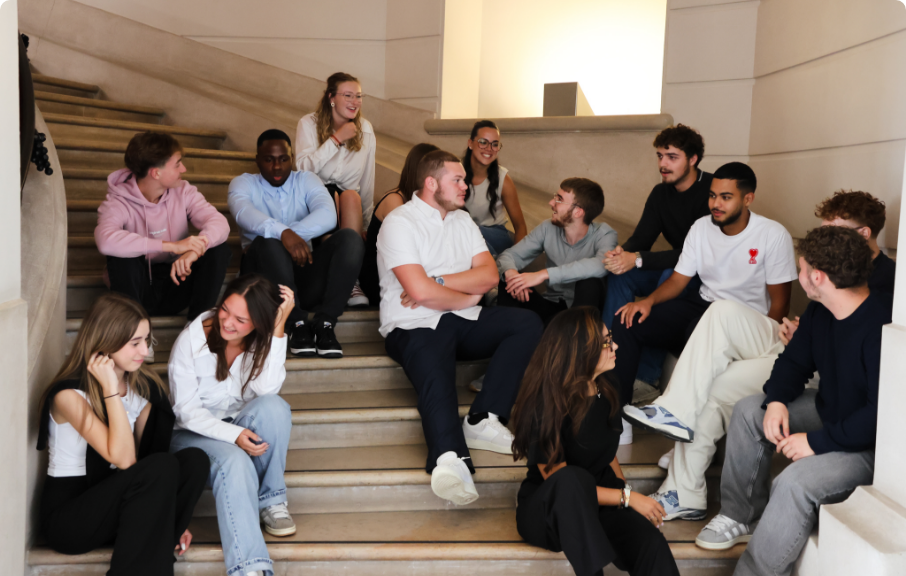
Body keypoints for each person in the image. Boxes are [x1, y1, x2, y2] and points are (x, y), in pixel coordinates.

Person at [632, 190, 897, 521]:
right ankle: (675, 412)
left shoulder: (889, 287)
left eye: (835, 229)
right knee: (721, 311)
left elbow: (859, 354)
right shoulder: (825, 271)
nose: (824, 236)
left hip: (829, 375)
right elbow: (812, 333)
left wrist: (808, 340)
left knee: (721, 383)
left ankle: (685, 490)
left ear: (863, 235)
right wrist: (804, 332)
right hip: (797, 347)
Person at [695, 226, 890, 576]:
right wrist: (777, 401)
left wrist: (815, 443)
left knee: (793, 482)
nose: (797, 275)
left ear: (817, 276)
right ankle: (740, 516)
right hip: (830, 414)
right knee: (748, 410)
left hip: (872, 448)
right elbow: (793, 362)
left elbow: (880, 418)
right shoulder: (820, 311)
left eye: (800, 269)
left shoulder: (881, 328)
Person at [377, 149, 543, 505]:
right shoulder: (400, 222)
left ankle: (483, 417)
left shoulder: (463, 221)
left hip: (460, 318)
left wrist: (440, 282)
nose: (465, 185)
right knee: (435, 373)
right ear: (431, 183)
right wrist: (466, 296)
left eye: (464, 180)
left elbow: (487, 276)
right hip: (412, 324)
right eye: (458, 180)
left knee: (527, 324)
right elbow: (417, 293)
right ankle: (449, 459)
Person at [612, 162, 797, 429]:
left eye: (725, 197)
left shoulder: (772, 234)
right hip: (702, 305)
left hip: (744, 319)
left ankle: (680, 420)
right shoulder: (701, 227)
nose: (715, 204)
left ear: (748, 199)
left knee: (699, 333)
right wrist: (647, 302)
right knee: (627, 320)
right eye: (712, 195)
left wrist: (762, 347)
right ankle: (617, 419)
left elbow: (780, 303)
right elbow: (678, 280)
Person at [36, 293, 209, 576]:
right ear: (106, 341)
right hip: (71, 518)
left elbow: (145, 467)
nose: (144, 351)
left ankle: (158, 538)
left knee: (194, 461)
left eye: (146, 340)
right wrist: (109, 389)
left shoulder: (141, 391)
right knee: (161, 466)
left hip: (116, 507)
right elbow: (126, 459)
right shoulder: (69, 395)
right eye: (134, 343)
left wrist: (166, 514)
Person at [511, 307, 679, 576]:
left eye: (610, 337)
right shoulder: (546, 404)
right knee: (571, 480)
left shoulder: (606, 388)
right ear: (578, 351)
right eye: (605, 342)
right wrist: (627, 498)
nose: (615, 345)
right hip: (551, 512)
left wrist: (624, 492)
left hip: (599, 501)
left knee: (649, 542)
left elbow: (607, 453)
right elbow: (560, 479)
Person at [168, 274, 296, 576]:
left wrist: (277, 330)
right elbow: (186, 413)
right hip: (190, 435)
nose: (227, 322)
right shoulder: (192, 340)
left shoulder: (263, 338)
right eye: (225, 309)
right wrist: (234, 434)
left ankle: (271, 501)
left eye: (241, 319)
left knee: (274, 407)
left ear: (259, 322)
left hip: (237, 424)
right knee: (234, 460)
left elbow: (267, 389)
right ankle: (249, 570)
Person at [602, 124, 712, 405]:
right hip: (673, 270)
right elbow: (642, 238)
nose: (663, 164)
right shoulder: (660, 192)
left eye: (672, 157)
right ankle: (605, 360)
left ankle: (646, 376)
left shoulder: (712, 192)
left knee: (666, 272)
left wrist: (637, 258)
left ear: (693, 159)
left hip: (703, 278)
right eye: (660, 156)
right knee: (620, 277)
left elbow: (694, 253)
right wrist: (621, 256)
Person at [229, 129, 363, 359]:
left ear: (291, 158)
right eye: (269, 159)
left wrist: (291, 237)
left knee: (350, 239)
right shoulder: (243, 184)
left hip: (302, 276)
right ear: (257, 160)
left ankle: (325, 323)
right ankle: (296, 324)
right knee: (267, 243)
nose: (277, 166)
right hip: (263, 282)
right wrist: (283, 234)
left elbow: (328, 215)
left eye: (283, 159)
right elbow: (244, 214)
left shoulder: (307, 180)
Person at [95, 132, 231, 332]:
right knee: (121, 255)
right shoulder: (118, 201)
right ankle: (136, 332)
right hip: (137, 291)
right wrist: (171, 246)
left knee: (219, 249)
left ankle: (196, 330)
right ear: (155, 173)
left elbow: (219, 222)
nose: (183, 169)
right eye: (177, 164)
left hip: (176, 281)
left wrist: (194, 251)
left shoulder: (183, 191)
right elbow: (105, 240)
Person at [295, 72, 375, 307]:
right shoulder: (308, 123)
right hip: (313, 199)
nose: (355, 101)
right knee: (328, 192)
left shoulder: (366, 129)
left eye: (358, 96)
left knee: (351, 195)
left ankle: (350, 281)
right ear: (331, 98)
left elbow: (367, 180)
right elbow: (302, 169)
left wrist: (366, 224)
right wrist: (336, 139)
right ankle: (334, 277)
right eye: (348, 95)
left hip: (349, 204)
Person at [497, 177, 616, 326]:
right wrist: (512, 275)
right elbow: (508, 256)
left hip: (580, 314)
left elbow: (601, 264)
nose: (551, 203)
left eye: (559, 199)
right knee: (509, 282)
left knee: (590, 283)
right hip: (550, 304)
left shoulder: (605, 234)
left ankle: (566, 343)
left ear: (578, 212)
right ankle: (508, 334)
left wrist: (543, 275)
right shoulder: (548, 227)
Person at [360, 143, 439, 305]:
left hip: (404, 272)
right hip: (381, 278)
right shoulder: (395, 200)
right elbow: (410, 246)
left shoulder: (424, 202)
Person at [462, 120, 528, 257]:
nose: (489, 148)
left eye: (495, 144)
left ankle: (498, 272)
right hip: (467, 238)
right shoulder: (456, 173)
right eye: (483, 142)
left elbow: (521, 227)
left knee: (471, 230)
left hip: (496, 236)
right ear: (470, 143)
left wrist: (514, 261)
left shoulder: (503, 179)